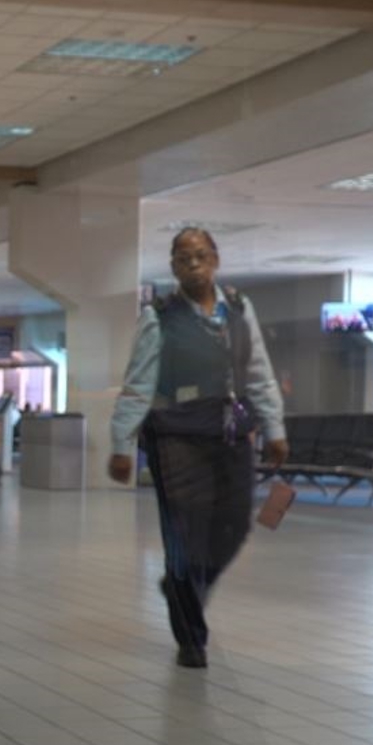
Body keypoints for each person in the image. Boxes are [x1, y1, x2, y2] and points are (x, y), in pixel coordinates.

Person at [108, 228, 287, 670]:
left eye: (201, 256)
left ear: (216, 259)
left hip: (229, 435)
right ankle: (191, 638)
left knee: (232, 529)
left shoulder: (241, 309)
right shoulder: (159, 317)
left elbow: (259, 373)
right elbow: (138, 384)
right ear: (172, 266)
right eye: (184, 258)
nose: (193, 264)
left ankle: (180, 588)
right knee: (185, 538)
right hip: (176, 439)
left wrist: (274, 427)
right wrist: (121, 443)